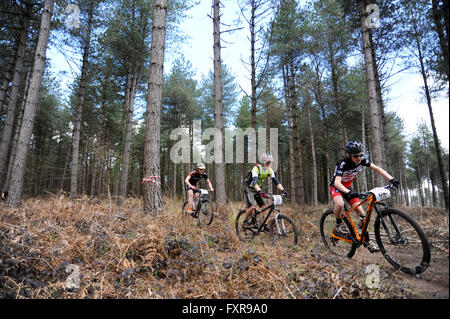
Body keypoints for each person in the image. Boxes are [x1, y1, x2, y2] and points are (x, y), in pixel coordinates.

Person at [330, 141, 399, 253]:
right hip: (337, 187)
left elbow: (377, 168)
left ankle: (366, 241)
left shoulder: (362, 161)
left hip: (348, 187)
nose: (359, 158)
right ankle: (338, 224)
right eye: (356, 156)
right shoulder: (342, 164)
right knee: (340, 204)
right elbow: (337, 182)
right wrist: (347, 192)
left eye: (361, 155)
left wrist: (391, 178)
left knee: (363, 215)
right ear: (349, 155)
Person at [242, 153, 288, 231]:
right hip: (249, 188)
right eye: (267, 162)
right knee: (252, 207)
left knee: (265, 207)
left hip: (257, 188)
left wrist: (283, 190)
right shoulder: (256, 169)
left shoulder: (270, 170)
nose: (269, 164)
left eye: (270, 162)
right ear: (263, 162)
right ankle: (245, 222)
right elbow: (254, 183)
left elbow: (276, 182)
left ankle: (265, 225)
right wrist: (260, 192)